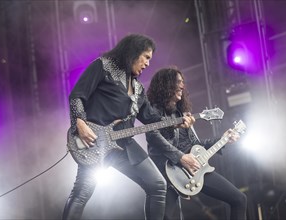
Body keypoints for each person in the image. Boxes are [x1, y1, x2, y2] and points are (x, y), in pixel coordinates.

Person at [62, 34, 194, 220]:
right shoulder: (103, 66)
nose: (148, 64)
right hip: (96, 143)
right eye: (146, 57)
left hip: (125, 145)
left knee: (157, 184)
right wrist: (80, 123)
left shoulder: (138, 89)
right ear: (133, 53)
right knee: (82, 193)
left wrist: (177, 122)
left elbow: (151, 118)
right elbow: (77, 96)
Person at [146, 66, 247, 220]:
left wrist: (223, 139)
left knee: (239, 199)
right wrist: (181, 157)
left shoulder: (183, 113)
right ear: (166, 85)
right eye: (178, 82)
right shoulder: (154, 112)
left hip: (194, 169)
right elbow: (153, 138)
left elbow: (197, 145)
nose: (182, 86)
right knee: (164, 217)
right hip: (169, 171)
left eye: (182, 82)